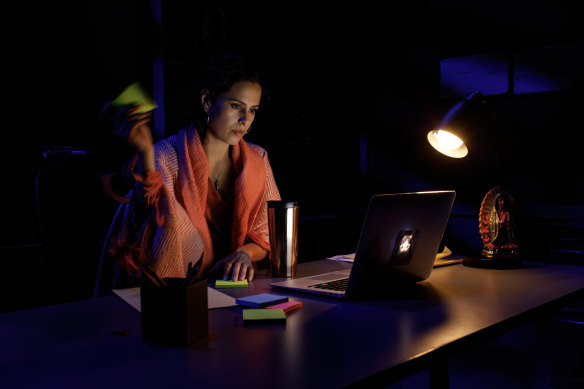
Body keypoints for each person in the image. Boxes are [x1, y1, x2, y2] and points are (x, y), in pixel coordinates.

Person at [94, 56, 280, 296]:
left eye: (252, 110)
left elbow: (267, 235)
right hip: (176, 295)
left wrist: (245, 253)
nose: (246, 120)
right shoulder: (167, 153)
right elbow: (147, 212)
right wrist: (145, 150)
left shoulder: (258, 160)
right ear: (207, 101)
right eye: (236, 106)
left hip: (238, 292)